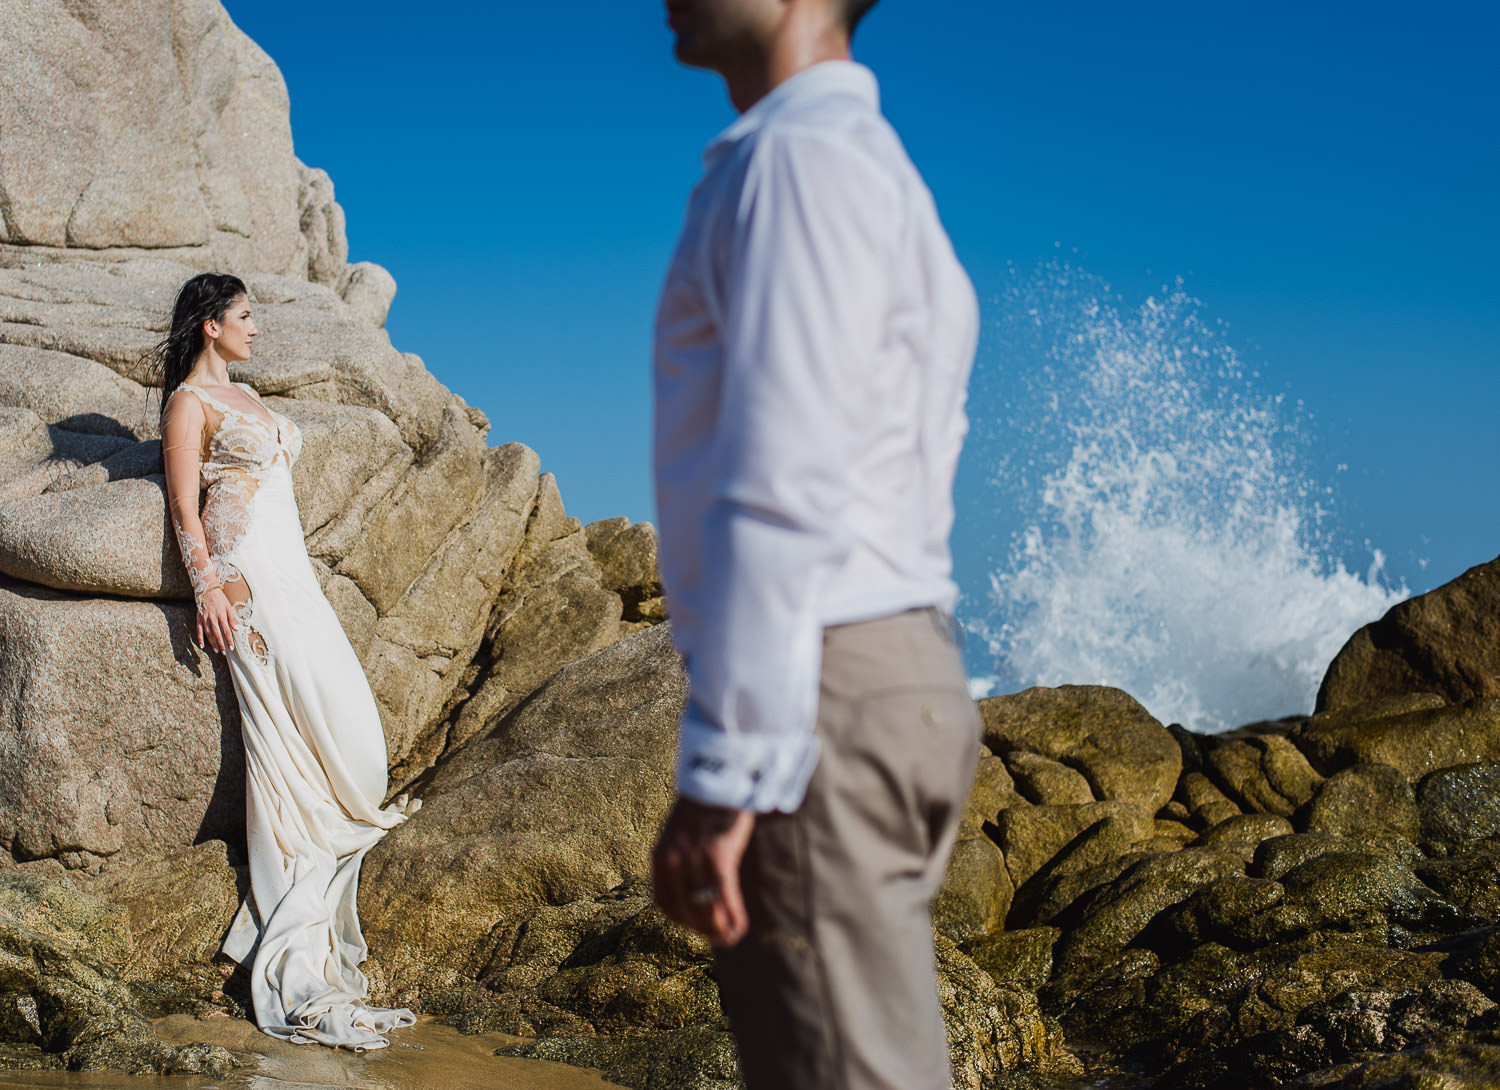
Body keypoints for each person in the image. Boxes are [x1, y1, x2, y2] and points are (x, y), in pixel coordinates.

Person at [649, 1, 982, 1087]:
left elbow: (784, 473)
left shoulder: (797, 161)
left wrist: (726, 767)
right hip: (897, 669)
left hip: (823, 687)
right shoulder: (874, 167)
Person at [154, 273, 418, 1051]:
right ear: (210, 325)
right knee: (294, 738)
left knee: (362, 747)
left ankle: (326, 839)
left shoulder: (253, 399)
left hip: (296, 579)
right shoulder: (187, 405)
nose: (255, 329)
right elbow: (183, 508)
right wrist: (207, 586)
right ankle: (293, 911)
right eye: (244, 317)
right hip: (249, 580)